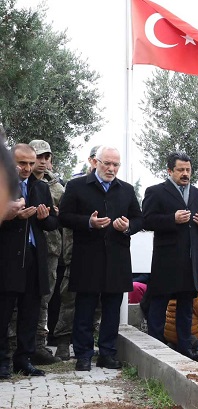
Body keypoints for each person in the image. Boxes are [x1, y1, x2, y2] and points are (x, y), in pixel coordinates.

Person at [58, 146, 143, 371]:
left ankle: (107, 354)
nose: (111, 169)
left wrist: (127, 227)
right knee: (85, 308)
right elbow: (64, 216)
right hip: (87, 257)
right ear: (96, 162)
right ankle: (84, 355)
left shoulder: (126, 189)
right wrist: (88, 222)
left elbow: (139, 218)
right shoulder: (76, 186)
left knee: (112, 309)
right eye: (107, 163)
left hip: (117, 258)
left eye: (116, 165)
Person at [142, 152, 198, 361]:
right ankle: (155, 347)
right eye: (180, 170)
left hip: (191, 259)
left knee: (185, 305)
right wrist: (171, 219)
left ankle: (185, 346)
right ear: (170, 170)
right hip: (166, 259)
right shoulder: (155, 192)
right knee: (159, 303)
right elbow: (146, 221)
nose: (185, 174)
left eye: (188, 170)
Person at [0, 144, 59, 378]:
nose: (27, 168)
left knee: (30, 312)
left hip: (35, 257)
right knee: (4, 313)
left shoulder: (40, 186)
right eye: (22, 163)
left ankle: (24, 359)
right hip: (7, 259)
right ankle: (2, 361)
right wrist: (12, 216)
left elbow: (53, 224)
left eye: (30, 163)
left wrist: (45, 218)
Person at [53, 144, 101, 361]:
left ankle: (87, 342)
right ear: (92, 160)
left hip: (100, 256)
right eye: (101, 160)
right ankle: (63, 341)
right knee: (69, 298)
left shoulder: (111, 187)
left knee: (96, 302)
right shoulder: (76, 184)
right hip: (74, 252)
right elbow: (65, 216)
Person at [27, 139, 65, 365]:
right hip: (25, 249)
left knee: (45, 297)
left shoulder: (57, 187)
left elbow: (63, 220)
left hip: (51, 249)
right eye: (38, 157)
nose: (42, 162)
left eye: (46, 157)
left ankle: (39, 345)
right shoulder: (19, 183)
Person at [164, 280, 198, 352]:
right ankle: (192, 344)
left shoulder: (175, 287)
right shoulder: (193, 291)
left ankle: (174, 344)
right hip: (187, 334)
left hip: (169, 334)